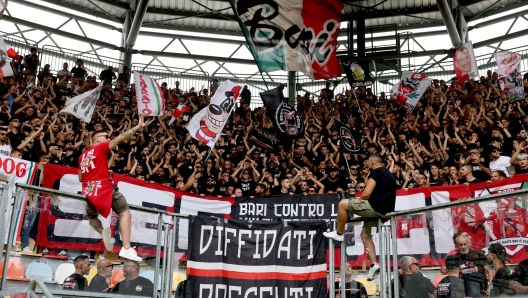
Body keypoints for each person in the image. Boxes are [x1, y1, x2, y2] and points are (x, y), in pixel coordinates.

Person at [78, 115, 149, 262]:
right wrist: (137, 127)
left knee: (92, 217)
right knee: (125, 214)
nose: (108, 138)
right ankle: (127, 248)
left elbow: (80, 178)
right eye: (105, 136)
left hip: (90, 191)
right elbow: (120, 139)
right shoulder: (100, 149)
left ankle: (102, 231)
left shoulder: (82, 157)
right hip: (105, 188)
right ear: (97, 139)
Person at [324, 154, 396, 281]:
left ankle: (339, 233)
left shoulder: (376, 172)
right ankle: (374, 264)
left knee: (342, 204)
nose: (366, 164)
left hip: (375, 208)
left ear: (372, 162)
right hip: (384, 213)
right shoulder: (390, 174)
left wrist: (360, 198)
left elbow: (366, 193)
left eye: (368, 162)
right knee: (365, 236)